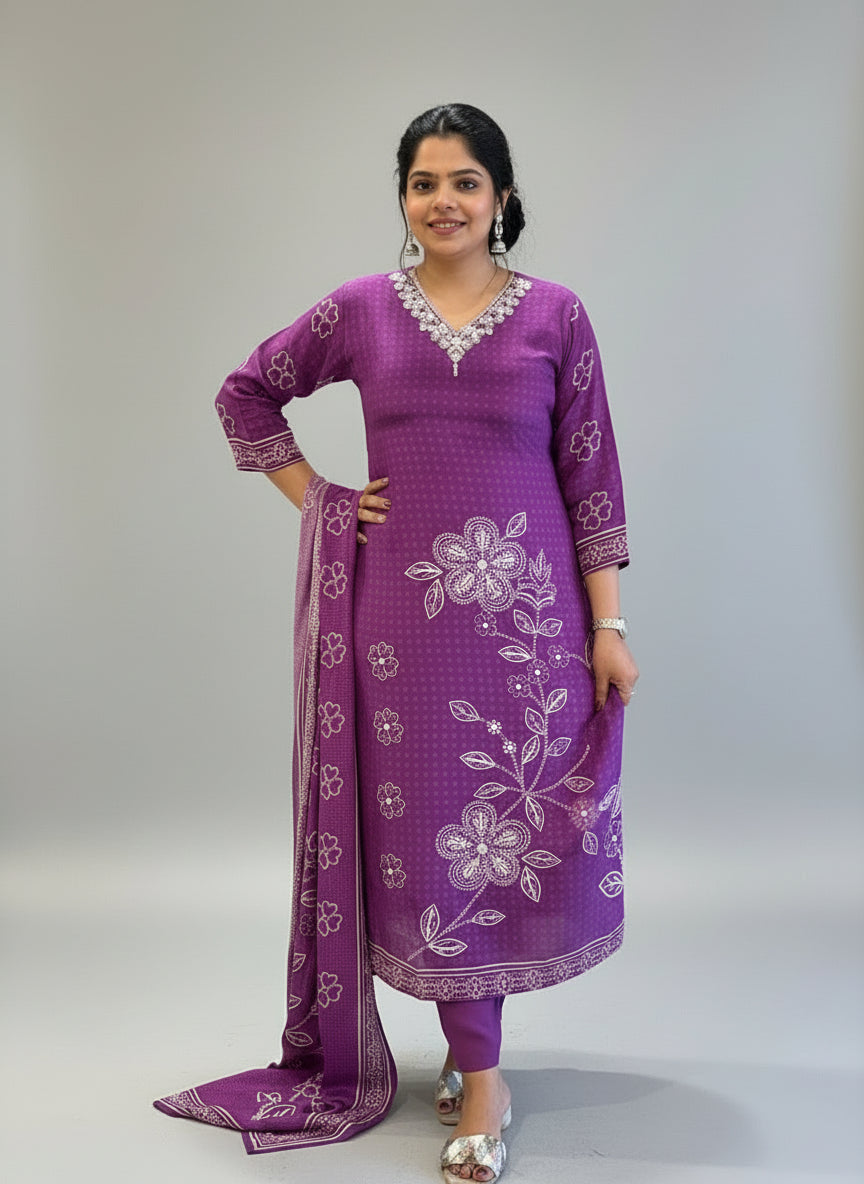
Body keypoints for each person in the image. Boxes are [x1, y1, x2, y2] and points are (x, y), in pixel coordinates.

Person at [154, 103, 638, 1183]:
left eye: (465, 182)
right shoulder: (363, 312)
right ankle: (482, 1068)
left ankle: (479, 1064)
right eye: (424, 183)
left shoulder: (557, 316)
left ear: (502, 196)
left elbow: (591, 474)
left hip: (530, 631)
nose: (444, 202)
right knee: (432, 839)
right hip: (401, 633)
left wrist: (607, 626)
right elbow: (247, 394)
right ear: (404, 198)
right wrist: (322, 499)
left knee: (507, 830)